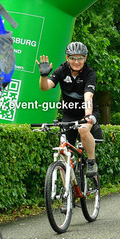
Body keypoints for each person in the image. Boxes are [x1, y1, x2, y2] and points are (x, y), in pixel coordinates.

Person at [37, 42, 101, 176]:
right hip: (69, 114)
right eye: (73, 58)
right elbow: (45, 87)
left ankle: (91, 161)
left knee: (83, 130)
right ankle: (66, 187)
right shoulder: (62, 70)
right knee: (64, 154)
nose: (76, 62)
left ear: (85, 58)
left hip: (87, 112)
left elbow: (88, 96)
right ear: (67, 58)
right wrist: (43, 76)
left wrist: (87, 116)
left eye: (80, 58)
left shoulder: (89, 73)